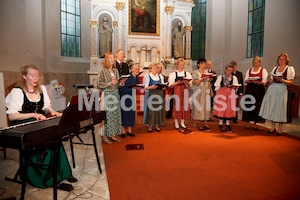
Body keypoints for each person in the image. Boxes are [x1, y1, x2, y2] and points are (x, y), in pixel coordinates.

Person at [5, 64, 76, 189]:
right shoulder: (18, 91)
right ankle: (46, 179)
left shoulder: (41, 89)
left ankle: (62, 173)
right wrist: (33, 114)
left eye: (37, 76)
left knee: (56, 140)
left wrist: (52, 111)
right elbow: (12, 116)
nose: (35, 78)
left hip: (39, 122)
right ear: (24, 76)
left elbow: (45, 106)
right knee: (43, 144)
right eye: (32, 75)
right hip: (23, 124)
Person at [259, 53, 295, 135]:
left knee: (280, 107)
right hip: (272, 89)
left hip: (281, 89)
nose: (281, 61)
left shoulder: (289, 69)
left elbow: (290, 82)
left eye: (283, 59)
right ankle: (272, 127)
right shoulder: (275, 68)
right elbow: (271, 80)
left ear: (286, 60)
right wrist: (269, 82)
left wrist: (281, 80)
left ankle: (280, 128)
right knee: (272, 107)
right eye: (280, 59)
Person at [97, 52, 127, 143]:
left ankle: (112, 134)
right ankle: (104, 136)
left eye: (113, 57)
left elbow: (117, 85)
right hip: (107, 95)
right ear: (107, 59)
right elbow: (98, 84)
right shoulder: (102, 70)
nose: (113, 59)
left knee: (114, 116)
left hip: (115, 95)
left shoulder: (116, 71)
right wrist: (109, 83)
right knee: (106, 116)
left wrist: (121, 83)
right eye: (111, 58)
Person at [242, 56, 268, 130]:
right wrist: (250, 81)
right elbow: (246, 80)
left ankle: (255, 123)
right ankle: (248, 122)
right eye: (254, 62)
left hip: (258, 90)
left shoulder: (263, 70)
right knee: (248, 105)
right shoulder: (249, 70)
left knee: (257, 106)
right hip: (250, 89)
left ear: (259, 63)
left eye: (257, 62)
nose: (256, 64)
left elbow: (264, 81)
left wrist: (259, 82)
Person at [213, 65, 239, 131]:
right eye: (229, 70)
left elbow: (236, 86)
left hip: (231, 93)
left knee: (229, 108)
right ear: (225, 70)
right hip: (222, 93)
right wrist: (217, 95)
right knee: (222, 107)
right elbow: (217, 86)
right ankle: (220, 122)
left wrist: (235, 87)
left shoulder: (234, 77)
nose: (230, 72)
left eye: (231, 70)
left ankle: (228, 123)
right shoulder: (221, 77)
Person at [168, 58, 192, 129]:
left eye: (183, 65)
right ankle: (176, 123)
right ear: (177, 65)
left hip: (185, 90)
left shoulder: (187, 74)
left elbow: (190, 84)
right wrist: (178, 82)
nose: (182, 66)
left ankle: (182, 122)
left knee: (184, 106)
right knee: (177, 106)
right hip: (177, 90)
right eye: (181, 64)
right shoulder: (173, 74)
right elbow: (170, 84)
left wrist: (187, 82)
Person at [118, 64, 141, 138]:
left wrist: (137, 89)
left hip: (132, 97)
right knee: (124, 113)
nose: (137, 70)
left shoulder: (137, 78)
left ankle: (129, 130)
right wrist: (131, 89)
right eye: (135, 68)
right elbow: (121, 89)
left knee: (131, 113)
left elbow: (135, 88)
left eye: (138, 68)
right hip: (124, 98)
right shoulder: (127, 78)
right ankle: (122, 131)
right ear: (131, 70)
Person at [191, 58, 214, 131]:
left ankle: (205, 121)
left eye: (204, 63)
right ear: (198, 64)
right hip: (198, 91)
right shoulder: (195, 72)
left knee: (206, 106)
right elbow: (196, 82)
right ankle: (194, 121)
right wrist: (202, 79)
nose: (203, 65)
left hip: (206, 91)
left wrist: (211, 91)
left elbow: (208, 83)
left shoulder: (207, 72)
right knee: (197, 106)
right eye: (202, 63)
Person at [143, 63, 166, 132]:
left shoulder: (160, 76)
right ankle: (150, 126)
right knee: (151, 110)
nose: (155, 70)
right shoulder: (147, 76)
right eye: (154, 68)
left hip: (159, 94)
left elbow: (162, 84)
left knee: (158, 109)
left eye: (156, 68)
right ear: (150, 70)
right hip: (151, 94)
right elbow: (145, 87)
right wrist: (152, 87)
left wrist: (163, 87)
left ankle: (157, 124)